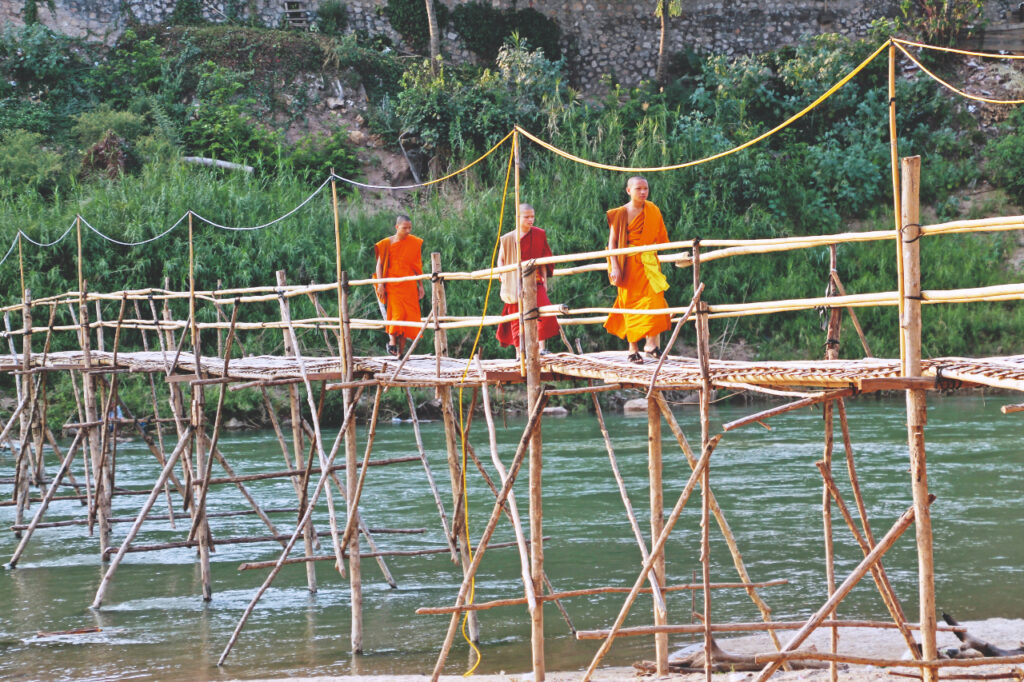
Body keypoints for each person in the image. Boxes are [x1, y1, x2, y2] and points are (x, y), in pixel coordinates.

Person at [604, 176, 671, 364]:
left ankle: (651, 345)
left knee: (655, 300)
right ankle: (632, 349)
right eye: (638, 189)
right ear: (628, 191)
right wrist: (615, 266)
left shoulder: (653, 210)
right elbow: (612, 242)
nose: (643, 192)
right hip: (628, 266)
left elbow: (661, 237)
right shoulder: (620, 213)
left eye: (646, 188)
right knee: (630, 305)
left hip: (649, 263)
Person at [496, 204, 560, 356]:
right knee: (517, 319)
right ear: (518, 217)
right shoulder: (507, 239)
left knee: (544, 313)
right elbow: (501, 260)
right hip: (514, 283)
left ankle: (541, 348)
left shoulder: (539, 234)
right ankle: (520, 353)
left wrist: (544, 279)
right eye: (527, 217)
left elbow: (544, 258)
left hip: (535, 281)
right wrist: (503, 275)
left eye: (532, 216)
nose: (531, 220)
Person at [374, 214, 424, 356]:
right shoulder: (386, 243)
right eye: (404, 228)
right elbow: (379, 265)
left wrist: (421, 286)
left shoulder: (413, 243)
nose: (408, 231)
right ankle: (392, 343)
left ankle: (400, 353)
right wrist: (380, 284)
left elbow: (417, 266)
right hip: (393, 284)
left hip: (409, 285)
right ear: (397, 227)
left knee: (407, 320)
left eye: (410, 228)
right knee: (398, 315)